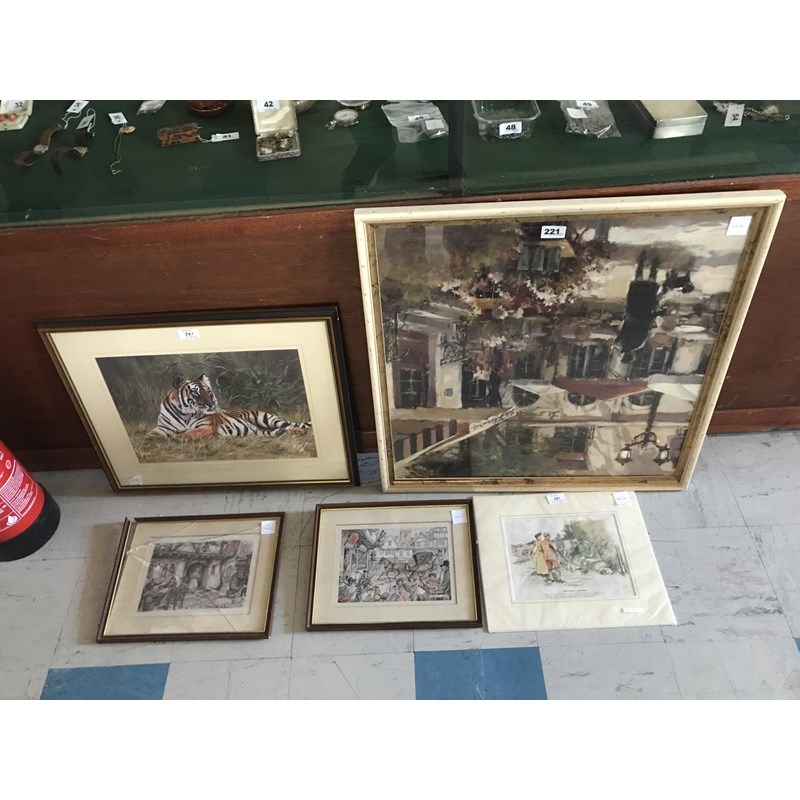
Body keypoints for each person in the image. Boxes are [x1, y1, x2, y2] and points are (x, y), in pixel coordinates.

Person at [615, 249, 663, 363]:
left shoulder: (638, 344)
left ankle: (655, 263)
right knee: (638, 283)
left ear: (631, 355)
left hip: (643, 313)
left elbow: (645, 328)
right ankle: (641, 260)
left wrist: (655, 315)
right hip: (631, 312)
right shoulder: (620, 343)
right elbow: (622, 328)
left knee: (651, 288)